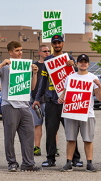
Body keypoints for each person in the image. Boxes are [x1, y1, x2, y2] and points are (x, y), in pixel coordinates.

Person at [0, 41, 41, 172]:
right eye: (17, 50)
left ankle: (28, 163)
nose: (20, 52)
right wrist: (2, 63)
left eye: (21, 50)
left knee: (28, 135)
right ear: (10, 52)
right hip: (9, 105)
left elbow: (32, 87)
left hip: (24, 106)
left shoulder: (27, 66)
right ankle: (12, 162)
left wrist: (35, 73)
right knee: (9, 136)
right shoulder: (5, 67)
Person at [32, 35, 82, 168]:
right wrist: (37, 99)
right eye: (55, 43)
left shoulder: (69, 58)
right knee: (50, 131)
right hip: (51, 102)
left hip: (67, 102)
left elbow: (78, 77)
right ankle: (50, 158)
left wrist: (75, 66)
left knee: (71, 131)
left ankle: (75, 158)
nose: (57, 45)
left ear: (63, 44)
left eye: (59, 42)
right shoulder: (48, 60)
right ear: (52, 45)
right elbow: (42, 82)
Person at [58, 54, 101, 172]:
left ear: (88, 64)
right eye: (81, 61)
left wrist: (99, 86)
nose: (83, 63)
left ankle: (89, 163)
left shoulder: (93, 78)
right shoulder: (70, 77)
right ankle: (68, 162)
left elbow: (99, 98)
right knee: (71, 138)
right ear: (76, 63)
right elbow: (64, 93)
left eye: (85, 62)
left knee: (88, 139)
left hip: (87, 113)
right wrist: (61, 98)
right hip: (72, 112)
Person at [30, 44, 50, 156]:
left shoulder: (51, 65)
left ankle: (54, 147)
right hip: (36, 100)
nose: (47, 53)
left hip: (49, 100)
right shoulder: (34, 66)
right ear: (39, 52)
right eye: (44, 51)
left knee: (52, 125)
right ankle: (37, 147)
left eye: (48, 51)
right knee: (37, 125)